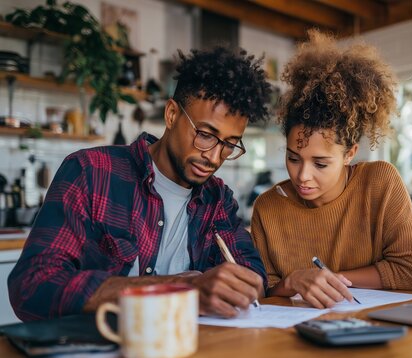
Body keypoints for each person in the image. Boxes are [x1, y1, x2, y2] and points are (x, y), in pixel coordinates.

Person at [9, 46, 271, 321]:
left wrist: (243, 285)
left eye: (229, 144)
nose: (214, 157)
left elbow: (252, 277)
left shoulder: (217, 199)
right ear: (171, 115)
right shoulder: (91, 172)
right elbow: (32, 287)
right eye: (206, 135)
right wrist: (177, 289)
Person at [251, 30, 412, 309]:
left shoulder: (379, 182)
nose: (302, 175)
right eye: (293, 158)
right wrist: (294, 281)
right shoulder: (268, 207)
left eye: (320, 163)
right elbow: (262, 289)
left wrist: (331, 280)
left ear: (350, 153)